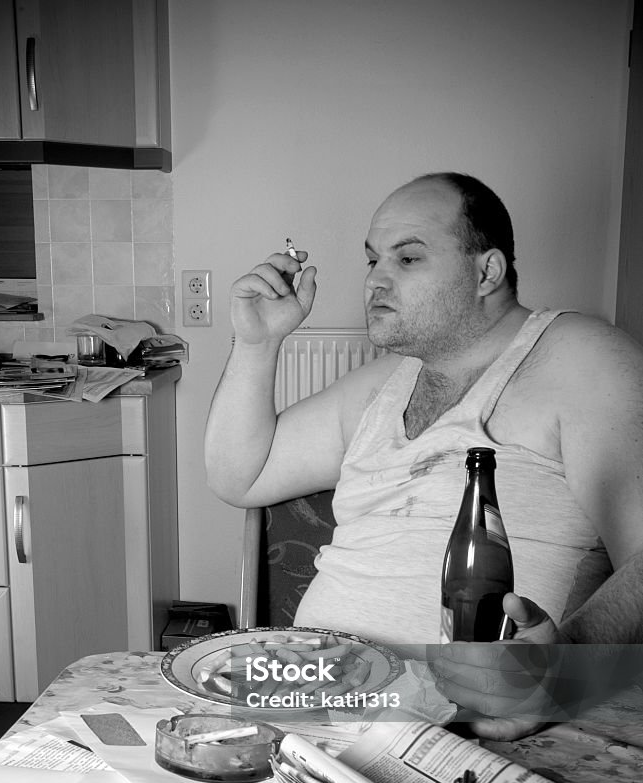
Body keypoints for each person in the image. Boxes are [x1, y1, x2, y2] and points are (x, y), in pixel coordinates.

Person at [205, 172, 643, 740]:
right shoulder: (382, 384)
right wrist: (257, 344)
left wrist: (566, 664)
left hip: (475, 728)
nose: (375, 280)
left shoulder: (581, 359)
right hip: (313, 707)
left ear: (486, 271)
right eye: (371, 261)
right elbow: (241, 475)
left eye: (407, 259)